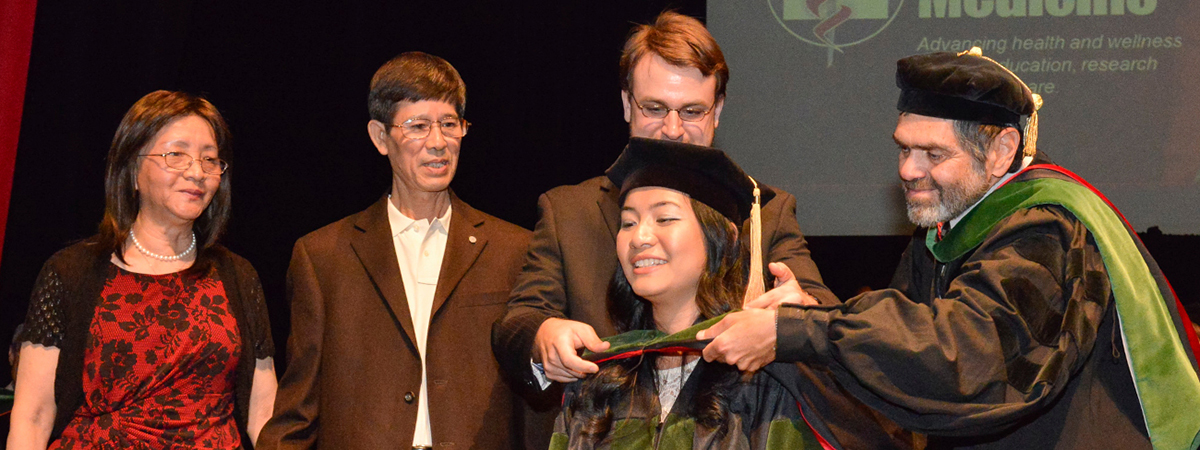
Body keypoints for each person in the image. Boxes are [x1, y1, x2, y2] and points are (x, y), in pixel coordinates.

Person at [706, 48, 1200, 449]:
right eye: (904, 148)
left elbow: (966, 358)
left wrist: (796, 332)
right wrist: (809, 313)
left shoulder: (1046, 229)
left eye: (933, 154)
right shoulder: (946, 226)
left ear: (1002, 151)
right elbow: (905, 344)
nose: (907, 170)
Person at [492, 10, 834, 410]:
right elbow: (515, 327)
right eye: (654, 108)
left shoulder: (762, 212)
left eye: (692, 111)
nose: (672, 129)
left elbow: (825, 313)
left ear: (718, 111)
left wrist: (793, 315)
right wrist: (543, 334)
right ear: (626, 104)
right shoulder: (569, 212)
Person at [257, 52, 532, 449]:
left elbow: (534, 405)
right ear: (380, 137)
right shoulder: (323, 257)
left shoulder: (513, 250)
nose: (437, 143)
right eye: (418, 126)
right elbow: (299, 409)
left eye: (449, 124)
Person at [6, 90, 277, 449]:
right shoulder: (71, 273)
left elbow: (264, 412)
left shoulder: (239, 277)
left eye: (210, 159)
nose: (197, 172)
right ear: (132, 169)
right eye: (176, 155)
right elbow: (33, 416)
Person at [552, 137, 842, 449]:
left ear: (721, 235)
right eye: (628, 222)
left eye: (664, 218)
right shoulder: (599, 380)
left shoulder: (763, 376)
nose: (639, 237)